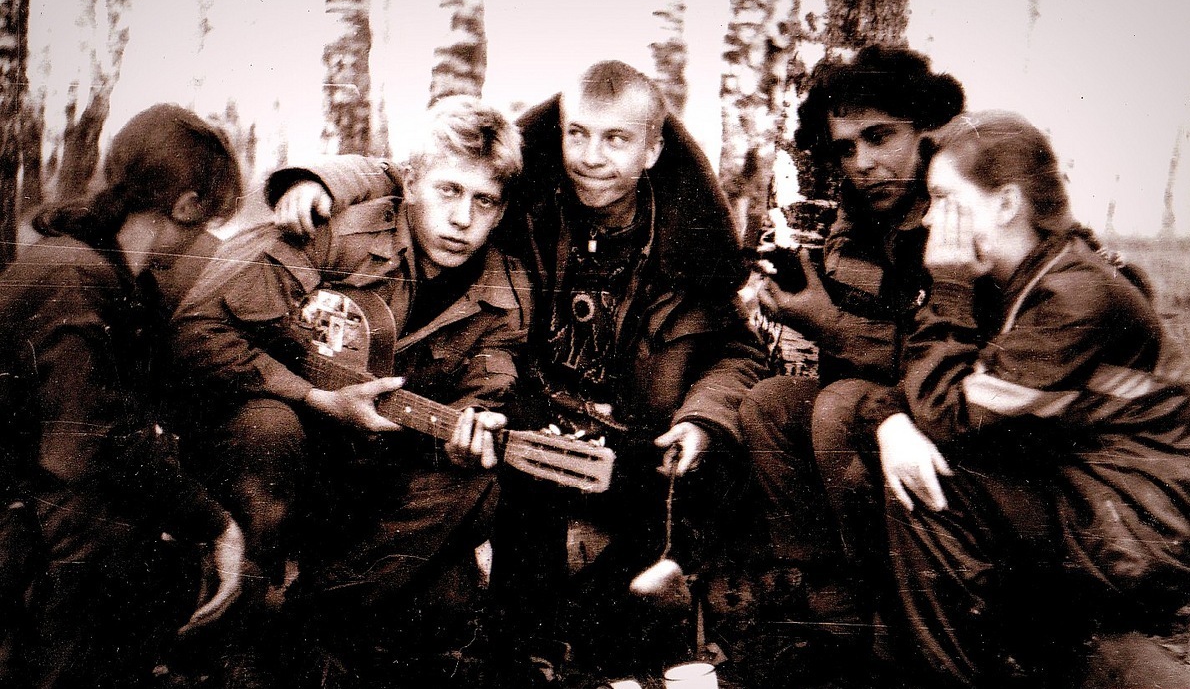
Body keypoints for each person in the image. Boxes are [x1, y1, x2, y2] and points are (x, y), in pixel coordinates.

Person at [272, 61, 768, 681]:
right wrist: (322, 180)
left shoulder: (689, 244)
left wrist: (703, 419)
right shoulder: (529, 204)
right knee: (505, 463)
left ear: (652, 151)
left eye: (616, 140)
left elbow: (739, 350)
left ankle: (629, 640)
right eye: (577, 134)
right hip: (529, 416)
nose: (591, 157)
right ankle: (518, 653)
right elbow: (425, 169)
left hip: (636, 435)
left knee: (704, 482)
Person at [171, 95, 529, 688]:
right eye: (447, 190)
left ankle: (305, 621)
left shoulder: (506, 291)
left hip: (375, 480)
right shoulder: (338, 230)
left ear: (502, 210)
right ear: (410, 183)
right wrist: (315, 398)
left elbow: (488, 388)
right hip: (283, 455)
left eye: (483, 200)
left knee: (467, 532)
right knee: (269, 427)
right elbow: (197, 330)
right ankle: (242, 613)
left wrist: (473, 427)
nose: (462, 218)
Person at [888, 110, 1190, 687]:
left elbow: (949, 418)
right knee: (911, 456)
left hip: (1139, 528)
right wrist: (892, 423)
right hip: (1088, 497)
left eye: (944, 199)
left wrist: (947, 288)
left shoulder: (1076, 294)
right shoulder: (1022, 276)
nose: (929, 219)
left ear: (1006, 203)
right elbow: (931, 394)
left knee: (932, 482)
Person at [0, 103, 246, 688]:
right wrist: (215, 524)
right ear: (187, 206)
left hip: (31, 492)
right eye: (207, 221)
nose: (206, 241)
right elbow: (80, 449)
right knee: (103, 537)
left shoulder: (117, 276)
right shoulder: (73, 277)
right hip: (20, 512)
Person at [736, 46, 965, 666]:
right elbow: (860, 320)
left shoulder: (954, 214)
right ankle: (829, 617)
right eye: (844, 148)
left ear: (925, 131)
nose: (862, 163)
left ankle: (893, 627)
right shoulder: (857, 215)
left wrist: (826, 323)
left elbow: (944, 365)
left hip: (958, 428)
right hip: (883, 414)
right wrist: (799, 289)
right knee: (769, 405)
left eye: (879, 137)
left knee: (838, 406)